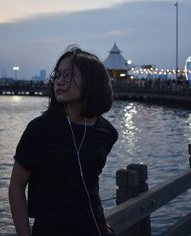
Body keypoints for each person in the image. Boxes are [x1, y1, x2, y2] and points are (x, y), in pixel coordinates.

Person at [9, 45, 118, 236]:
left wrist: (103, 225)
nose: (59, 81)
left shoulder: (106, 132)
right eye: (57, 75)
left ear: (92, 81)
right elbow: (16, 187)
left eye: (69, 75)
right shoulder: (40, 130)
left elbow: (88, 184)